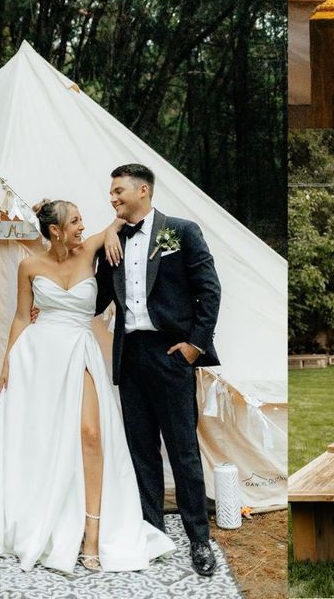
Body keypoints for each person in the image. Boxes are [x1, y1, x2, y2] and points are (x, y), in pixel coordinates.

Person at [0, 200, 175, 574]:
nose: (81, 225)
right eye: (74, 221)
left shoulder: (91, 248)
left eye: (81, 219)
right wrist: (8, 360)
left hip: (79, 350)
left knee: (91, 434)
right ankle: (39, 517)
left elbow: (118, 223)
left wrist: (111, 228)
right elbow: (19, 316)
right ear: (55, 230)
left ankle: (92, 536)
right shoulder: (29, 266)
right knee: (40, 438)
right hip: (38, 357)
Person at [95, 163, 221, 578]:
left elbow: (209, 290)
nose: (112, 198)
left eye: (118, 192)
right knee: (141, 449)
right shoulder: (111, 240)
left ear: (143, 190)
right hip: (130, 356)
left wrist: (193, 347)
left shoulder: (178, 231)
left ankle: (199, 540)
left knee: (183, 450)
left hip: (171, 354)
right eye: (111, 193)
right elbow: (97, 300)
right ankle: (151, 532)